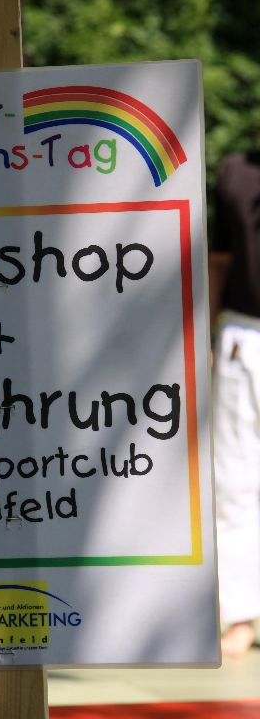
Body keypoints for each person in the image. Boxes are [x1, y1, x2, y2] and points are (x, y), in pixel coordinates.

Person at [209, 149, 260, 657]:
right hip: (244, 335)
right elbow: (219, 260)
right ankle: (240, 615)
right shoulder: (236, 173)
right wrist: (203, 336)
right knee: (236, 480)